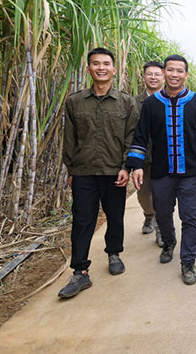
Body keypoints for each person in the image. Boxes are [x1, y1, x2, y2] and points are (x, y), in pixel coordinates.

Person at [59, 47, 139, 299]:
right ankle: (80, 271)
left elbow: (131, 137)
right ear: (89, 69)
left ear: (114, 69)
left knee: (115, 216)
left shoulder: (126, 102)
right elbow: (69, 139)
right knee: (82, 220)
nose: (101, 68)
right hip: (83, 172)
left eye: (106, 64)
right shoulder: (75, 102)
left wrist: (126, 167)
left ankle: (114, 253)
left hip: (114, 171)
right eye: (96, 63)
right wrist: (71, 169)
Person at [127, 54, 196, 285]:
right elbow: (141, 136)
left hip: (189, 172)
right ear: (164, 72)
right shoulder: (152, 104)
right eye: (171, 70)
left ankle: (188, 261)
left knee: (189, 216)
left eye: (179, 71)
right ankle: (169, 242)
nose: (175, 74)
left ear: (186, 75)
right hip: (161, 171)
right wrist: (136, 165)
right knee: (163, 214)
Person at [135, 60, 165, 247]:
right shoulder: (134, 102)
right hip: (143, 158)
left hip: (165, 158)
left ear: (164, 77)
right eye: (150, 74)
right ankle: (149, 215)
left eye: (157, 74)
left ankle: (162, 229)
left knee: (162, 196)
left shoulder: (170, 100)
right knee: (144, 194)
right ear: (143, 76)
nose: (153, 78)